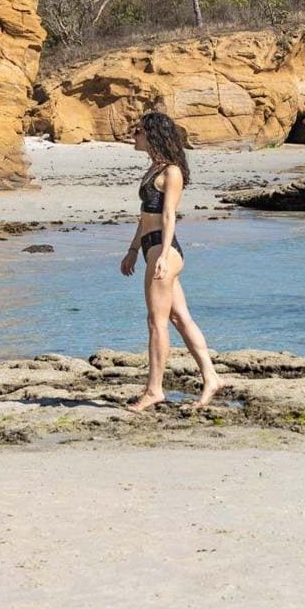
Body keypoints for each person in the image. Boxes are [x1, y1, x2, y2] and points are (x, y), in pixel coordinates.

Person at [119, 110, 224, 412]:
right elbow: (145, 216)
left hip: (165, 252)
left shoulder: (172, 172)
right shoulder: (153, 168)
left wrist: (163, 255)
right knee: (179, 318)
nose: (134, 135)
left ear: (153, 134)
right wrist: (132, 249)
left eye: (138, 130)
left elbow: (168, 216)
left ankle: (154, 390)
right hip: (150, 247)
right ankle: (212, 377)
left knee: (156, 321)